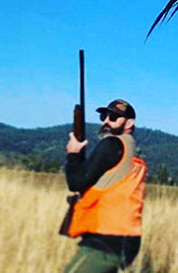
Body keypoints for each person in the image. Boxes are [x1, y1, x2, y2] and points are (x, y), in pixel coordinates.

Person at [64, 99, 147, 273]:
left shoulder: (112, 144)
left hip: (105, 240)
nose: (106, 121)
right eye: (104, 115)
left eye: (114, 117)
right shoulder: (132, 150)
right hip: (127, 239)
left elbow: (76, 182)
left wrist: (73, 154)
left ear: (129, 123)